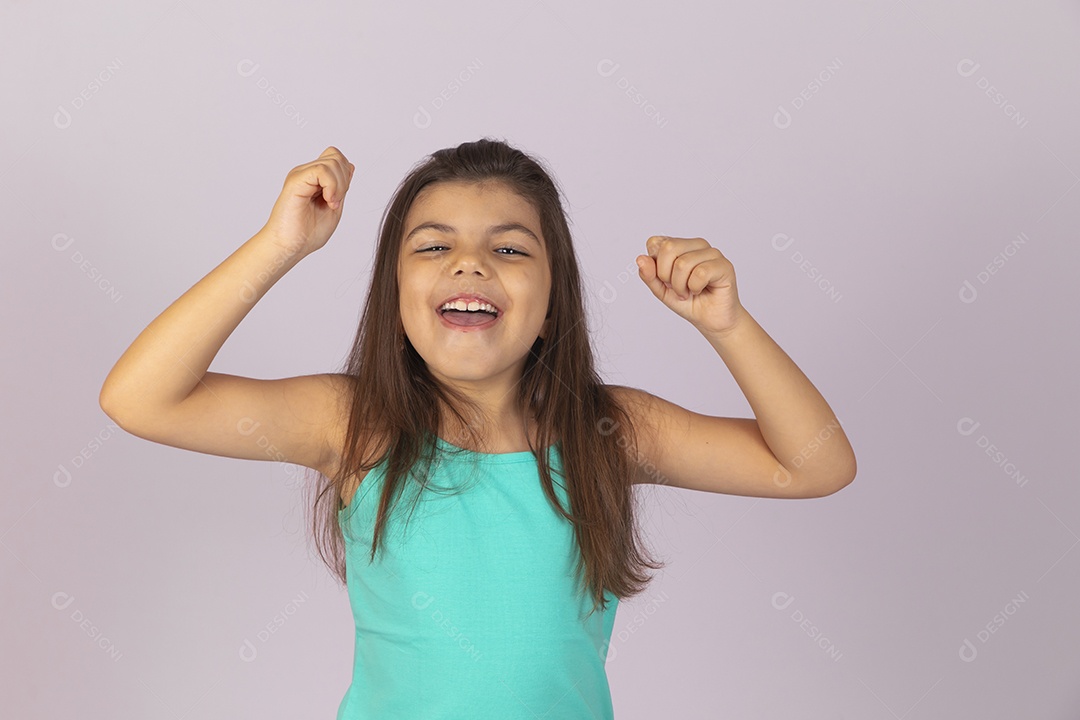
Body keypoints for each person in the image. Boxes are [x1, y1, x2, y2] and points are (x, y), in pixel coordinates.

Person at [99, 139, 857, 718]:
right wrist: (281, 245)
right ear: (395, 291)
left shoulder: (609, 429)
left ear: (553, 298)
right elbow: (142, 399)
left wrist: (727, 326)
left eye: (508, 248)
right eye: (433, 245)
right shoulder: (355, 425)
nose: (469, 264)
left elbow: (815, 465)